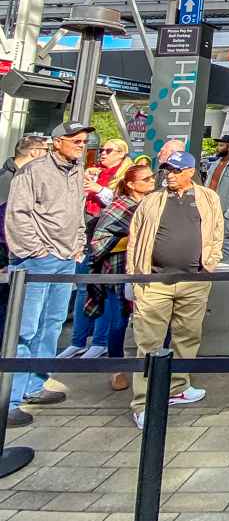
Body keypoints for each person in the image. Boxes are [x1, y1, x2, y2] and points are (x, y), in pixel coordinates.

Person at [126, 150, 223, 428]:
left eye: (176, 170)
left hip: (193, 280)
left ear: (190, 172)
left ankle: (178, 386)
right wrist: (135, 279)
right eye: (167, 170)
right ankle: (143, 401)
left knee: (188, 335)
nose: (169, 175)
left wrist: (211, 264)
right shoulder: (152, 201)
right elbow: (136, 239)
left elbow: (217, 231)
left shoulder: (207, 198)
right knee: (149, 342)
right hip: (155, 280)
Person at [5, 121, 91, 426]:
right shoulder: (33, 172)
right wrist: (36, 251)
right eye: (76, 141)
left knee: (52, 324)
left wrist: (78, 244)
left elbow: (77, 211)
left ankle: (35, 385)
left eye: (83, 142)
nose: (81, 146)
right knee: (25, 328)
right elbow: (18, 214)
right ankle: (10, 397)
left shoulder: (76, 171)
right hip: (38, 260)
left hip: (67, 257)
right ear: (58, 142)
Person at [59, 138, 132, 359]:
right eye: (102, 150)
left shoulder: (126, 176)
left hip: (111, 243)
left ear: (121, 153)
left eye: (109, 150)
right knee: (83, 290)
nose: (103, 154)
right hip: (85, 237)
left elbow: (126, 205)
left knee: (108, 292)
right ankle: (78, 341)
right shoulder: (93, 172)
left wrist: (99, 189)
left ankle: (100, 342)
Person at [86, 161, 157, 390]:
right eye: (146, 179)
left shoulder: (153, 204)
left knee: (151, 320)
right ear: (130, 184)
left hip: (147, 269)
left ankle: (154, 366)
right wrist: (133, 241)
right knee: (118, 321)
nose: (152, 181)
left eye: (152, 177)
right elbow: (98, 242)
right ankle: (116, 367)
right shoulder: (119, 206)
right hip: (119, 269)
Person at [0, 136, 47, 334]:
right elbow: (5, 219)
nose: (49, 156)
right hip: (7, 252)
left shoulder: (26, 176)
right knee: (6, 307)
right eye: (46, 150)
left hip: (15, 251)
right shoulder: (8, 179)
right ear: (34, 152)